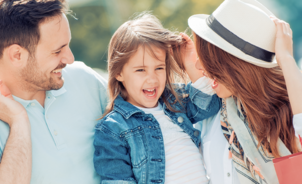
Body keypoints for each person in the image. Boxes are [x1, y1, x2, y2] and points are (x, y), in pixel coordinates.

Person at [93, 13, 221, 184]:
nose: (152, 79)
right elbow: (117, 179)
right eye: (141, 70)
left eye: (159, 68)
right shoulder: (113, 128)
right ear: (119, 72)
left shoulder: (174, 100)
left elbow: (209, 105)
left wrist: (190, 63)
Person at [187, 0, 302, 184]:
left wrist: (286, 59)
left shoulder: (289, 111)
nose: (198, 65)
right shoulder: (213, 114)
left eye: (207, 59)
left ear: (234, 66)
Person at [0, 0, 108, 183]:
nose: (70, 59)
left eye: (68, 45)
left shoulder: (85, 80)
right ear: (17, 55)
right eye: (57, 51)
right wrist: (18, 121)